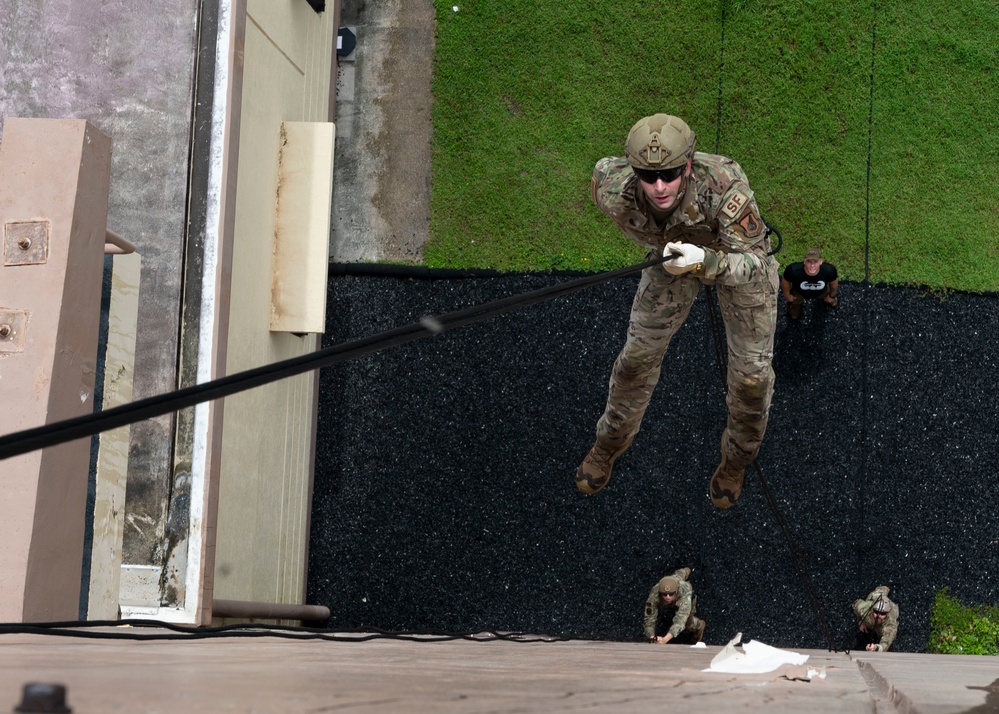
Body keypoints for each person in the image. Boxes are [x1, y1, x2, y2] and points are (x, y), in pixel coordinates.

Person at [577, 113, 779, 508]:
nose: (659, 186)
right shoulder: (610, 188)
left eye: (670, 174)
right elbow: (607, 169)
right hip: (671, 258)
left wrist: (705, 262)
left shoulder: (724, 187)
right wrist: (679, 259)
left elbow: (759, 264)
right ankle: (610, 442)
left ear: (688, 164)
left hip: (733, 263)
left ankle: (736, 459)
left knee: (752, 383)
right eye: (647, 176)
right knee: (635, 361)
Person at [643, 567, 706, 644]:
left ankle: (699, 625)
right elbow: (649, 619)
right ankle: (686, 570)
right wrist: (652, 638)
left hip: (686, 597)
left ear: (676, 592)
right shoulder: (654, 593)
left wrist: (665, 639)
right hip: (675, 579)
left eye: (671, 594)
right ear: (660, 593)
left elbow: (680, 621)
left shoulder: (684, 592)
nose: (668, 597)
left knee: (688, 623)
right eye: (664, 594)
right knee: (678, 575)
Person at [780, 247, 839, 320]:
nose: (812, 265)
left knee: (830, 299)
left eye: (815, 261)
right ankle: (795, 306)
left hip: (822, 292)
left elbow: (834, 283)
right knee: (795, 304)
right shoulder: (793, 270)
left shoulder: (829, 270)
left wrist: (832, 296)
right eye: (809, 261)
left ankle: (831, 300)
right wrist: (787, 295)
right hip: (799, 293)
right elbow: (785, 281)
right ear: (804, 261)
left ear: (821, 261)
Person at [852, 585, 899, 652]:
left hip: (891, 609)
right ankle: (885, 588)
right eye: (876, 612)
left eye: (882, 613)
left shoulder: (890, 624)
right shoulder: (865, 609)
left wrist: (875, 648)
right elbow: (855, 604)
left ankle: (888, 588)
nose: (878, 615)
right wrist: (861, 621)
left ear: (887, 613)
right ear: (872, 610)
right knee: (878, 593)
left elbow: (886, 642)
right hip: (875, 598)